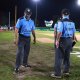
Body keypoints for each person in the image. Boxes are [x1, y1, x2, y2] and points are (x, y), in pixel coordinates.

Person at [51, 9, 77, 78]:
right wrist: (73, 41)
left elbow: (59, 32)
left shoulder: (61, 22)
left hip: (62, 40)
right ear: (68, 14)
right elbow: (74, 33)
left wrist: (57, 41)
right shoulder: (72, 22)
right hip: (70, 40)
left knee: (59, 57)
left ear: (62, 14)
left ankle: (57, 74)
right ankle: (66, 71)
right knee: (67, 57)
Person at [14, 8, 36, 73]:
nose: (28, 15)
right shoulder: (20, 20)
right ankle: (16, 67)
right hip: (21, 38)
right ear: (24, 13)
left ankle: (24, 63)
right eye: (26, 14)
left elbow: (33, 30)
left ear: (30, 14)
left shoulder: (32, 21)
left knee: (26, 52)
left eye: (29, 14)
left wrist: (34, 38)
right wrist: (15, 38)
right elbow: (16, 29)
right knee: (19, 53)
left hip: (28, 38)